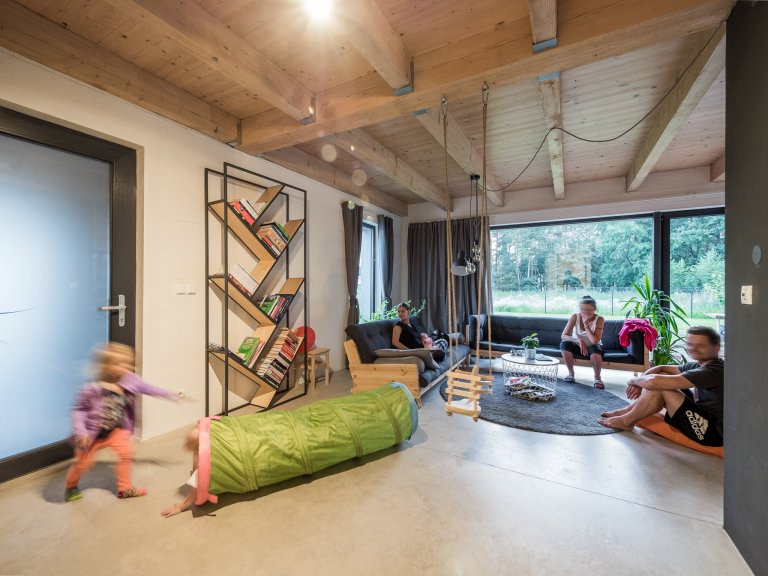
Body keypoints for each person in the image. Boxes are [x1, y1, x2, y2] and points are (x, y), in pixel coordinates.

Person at [160, 382, 418, 517]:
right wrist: (183, 505)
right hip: (261, 438)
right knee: (300, 434)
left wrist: (183, 504)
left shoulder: (206, 451)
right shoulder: (210, 456)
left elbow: (198, 485)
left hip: (267, 429)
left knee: (301, 425)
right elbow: (199, 485)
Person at [64, 342, 181, 502]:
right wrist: (81, 432)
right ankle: (70, 486)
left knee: (126, 453)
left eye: (129, 363)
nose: (126, 367)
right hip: (91, 435)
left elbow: (149, 388)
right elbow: (79, 410)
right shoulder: (92, 388)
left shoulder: (130, 380)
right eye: (119, 363)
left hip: (116, 430)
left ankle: (124, 489)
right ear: (106, 366)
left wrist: (171, 395)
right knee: (83, 464)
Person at [597, 326, 724, 447]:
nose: (693, 349)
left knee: (660, 386)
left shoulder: (714, 371)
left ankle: (627, 421)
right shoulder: (700, 365)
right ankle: (627, 411)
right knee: (662, 377)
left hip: (711, 431)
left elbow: (653, 382)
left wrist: (633, 381)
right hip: (703, 414)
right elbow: (661, 368)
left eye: (700, 345)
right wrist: (639, 382)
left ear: (716, 347)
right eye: (690, 344)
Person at [559, 295, 606, 388]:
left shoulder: (600, 319)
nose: (586, 312)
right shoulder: (575, 317)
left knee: (594, 348)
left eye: (589, 310)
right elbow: (564, 335)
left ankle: (597, 378)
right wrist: (578, 340)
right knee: (564, 344)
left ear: (594, 309)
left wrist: (586, 326)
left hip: (594, 347)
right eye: (583, 309)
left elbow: (594, 341)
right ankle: (571, 374)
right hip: (578, 346)